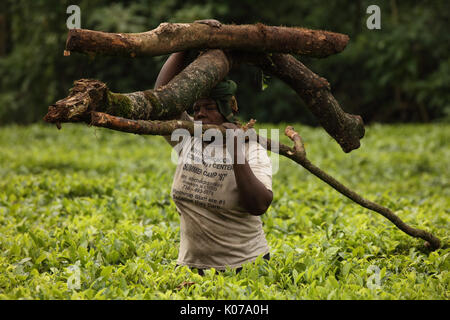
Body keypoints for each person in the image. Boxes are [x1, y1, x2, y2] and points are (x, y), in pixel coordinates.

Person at [154, 50, 273, 275]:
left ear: (228, 109)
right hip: (190, 270)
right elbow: (162, 99)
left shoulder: (251, 149)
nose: (200, 115)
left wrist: (235, 150)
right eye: (196, 108)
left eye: (209, 108)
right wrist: (183, 48)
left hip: (244, 268)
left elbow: (259, 205)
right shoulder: (189, 139)